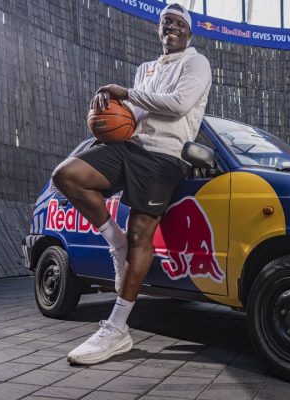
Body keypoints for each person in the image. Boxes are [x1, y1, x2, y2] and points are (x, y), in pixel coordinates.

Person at [52, 3, 212, 365]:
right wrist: (106, 112)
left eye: (178, 23)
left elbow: (178, 104)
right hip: (130, 147)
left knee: (142, 235)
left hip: (165, 157)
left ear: (189, 32)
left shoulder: (197, 63)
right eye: (165, 22)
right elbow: (133, 116)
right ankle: (115, 242)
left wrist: (124, 91)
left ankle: (116, 329)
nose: (171, 27)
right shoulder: (145, 69)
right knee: (67, 175)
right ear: (159, 29)